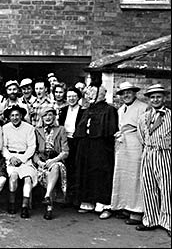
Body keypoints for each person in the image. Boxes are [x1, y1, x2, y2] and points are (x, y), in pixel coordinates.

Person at [73, 85, 118, 219]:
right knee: (86, 172)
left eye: (93, 93)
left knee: (100, 173)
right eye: (88, 93)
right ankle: (88, 202)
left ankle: (103, 204)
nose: (89, 96)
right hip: (86, 145)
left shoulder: (109, 109)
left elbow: (110, 131)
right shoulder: (88, 109)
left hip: (101, 147)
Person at [110, 82, 149, 225]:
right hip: (122, 145)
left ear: (134, 93)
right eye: (123, 93)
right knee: (124, 175)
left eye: (129, 92)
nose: (126, 95)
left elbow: (146, 130)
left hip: (136, 145)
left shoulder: (143, 108)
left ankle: (137, 211)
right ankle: (125, 206)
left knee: (136, 176)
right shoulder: (121, 110)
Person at [136, 84, 171, 237]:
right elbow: (141, 136)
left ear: (164, 98)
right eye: (152, 97)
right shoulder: (144, 117)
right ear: (149, 100)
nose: (155, 100)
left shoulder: (170, 115)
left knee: (167, 188)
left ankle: (168, 222)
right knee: (149, 187)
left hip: (165, 154)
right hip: (148, 154)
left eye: (158, 97)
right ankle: (150, 220)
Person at [34, 105, 69, 220]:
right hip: (42, 161)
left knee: (55, 168)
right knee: (48, 172)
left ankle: (48, 199)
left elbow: (65, 152)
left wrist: (53, 160)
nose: (48, 117)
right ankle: (48, 201)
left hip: (56, 159)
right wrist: (39, 162)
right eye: (45, 115)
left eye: (50, 114)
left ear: (54, 116)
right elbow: (33, 151)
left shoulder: (61, 129)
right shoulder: (37, 130)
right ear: (41, 117)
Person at [3, 105, 37, 218]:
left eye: (17, 115)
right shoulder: (5, 128)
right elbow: (3, 147)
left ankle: (24, 206)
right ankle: (12, 203)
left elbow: (32, 147)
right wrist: (11, 158)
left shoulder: (29, 128)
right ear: (9, 117)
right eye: (12, 115)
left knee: (28, 178)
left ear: (21, 116)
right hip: (11, 159)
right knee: (13, 176)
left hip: (25, 159)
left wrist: (22, 159)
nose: (15, 117)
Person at [58, 87, 85, 206]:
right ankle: (66, 197)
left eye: (74, 96)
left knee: (77, 168)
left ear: (78, 97)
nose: (71, 99)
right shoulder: (63, 110)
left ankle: (76, 198)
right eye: (69, 96)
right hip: (66, 141)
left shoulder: (83, 111)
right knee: (66, 168)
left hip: (78, 141)